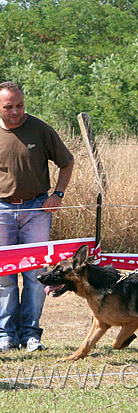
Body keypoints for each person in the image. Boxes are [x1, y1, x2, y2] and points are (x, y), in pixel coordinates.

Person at [0, 81, 74, 353]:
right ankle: (5, 335)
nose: (16, 111)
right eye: (9, 107)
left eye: (19, 105)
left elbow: (66, 162)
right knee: (4, 276)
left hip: (37, 210)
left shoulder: (40, 129)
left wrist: (58, 195)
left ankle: (31, 334)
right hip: (2, 211)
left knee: (36, 275)